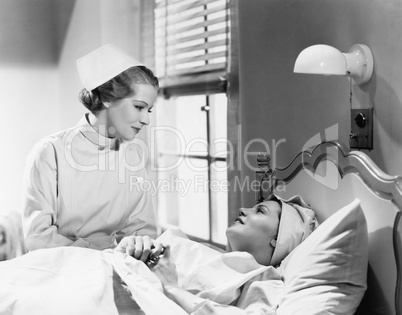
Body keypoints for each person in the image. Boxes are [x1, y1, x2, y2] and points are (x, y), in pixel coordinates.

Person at [22, 44, 159, 251]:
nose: (146, 119)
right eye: (139, 107)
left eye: (149, 109)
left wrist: (139, 247)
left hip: (117, 265)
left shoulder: (133, 156)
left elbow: (142, 231)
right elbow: (39, 239)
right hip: (63, 267)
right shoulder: (50, 152)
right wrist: (102, 255)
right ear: (106, 99)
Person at [115, 195, 318, 314]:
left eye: (260, 211)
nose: (243, 209)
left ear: (279, 239)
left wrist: (172, 288)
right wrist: (134, 245)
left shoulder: (265, 281)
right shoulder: (207, 251)